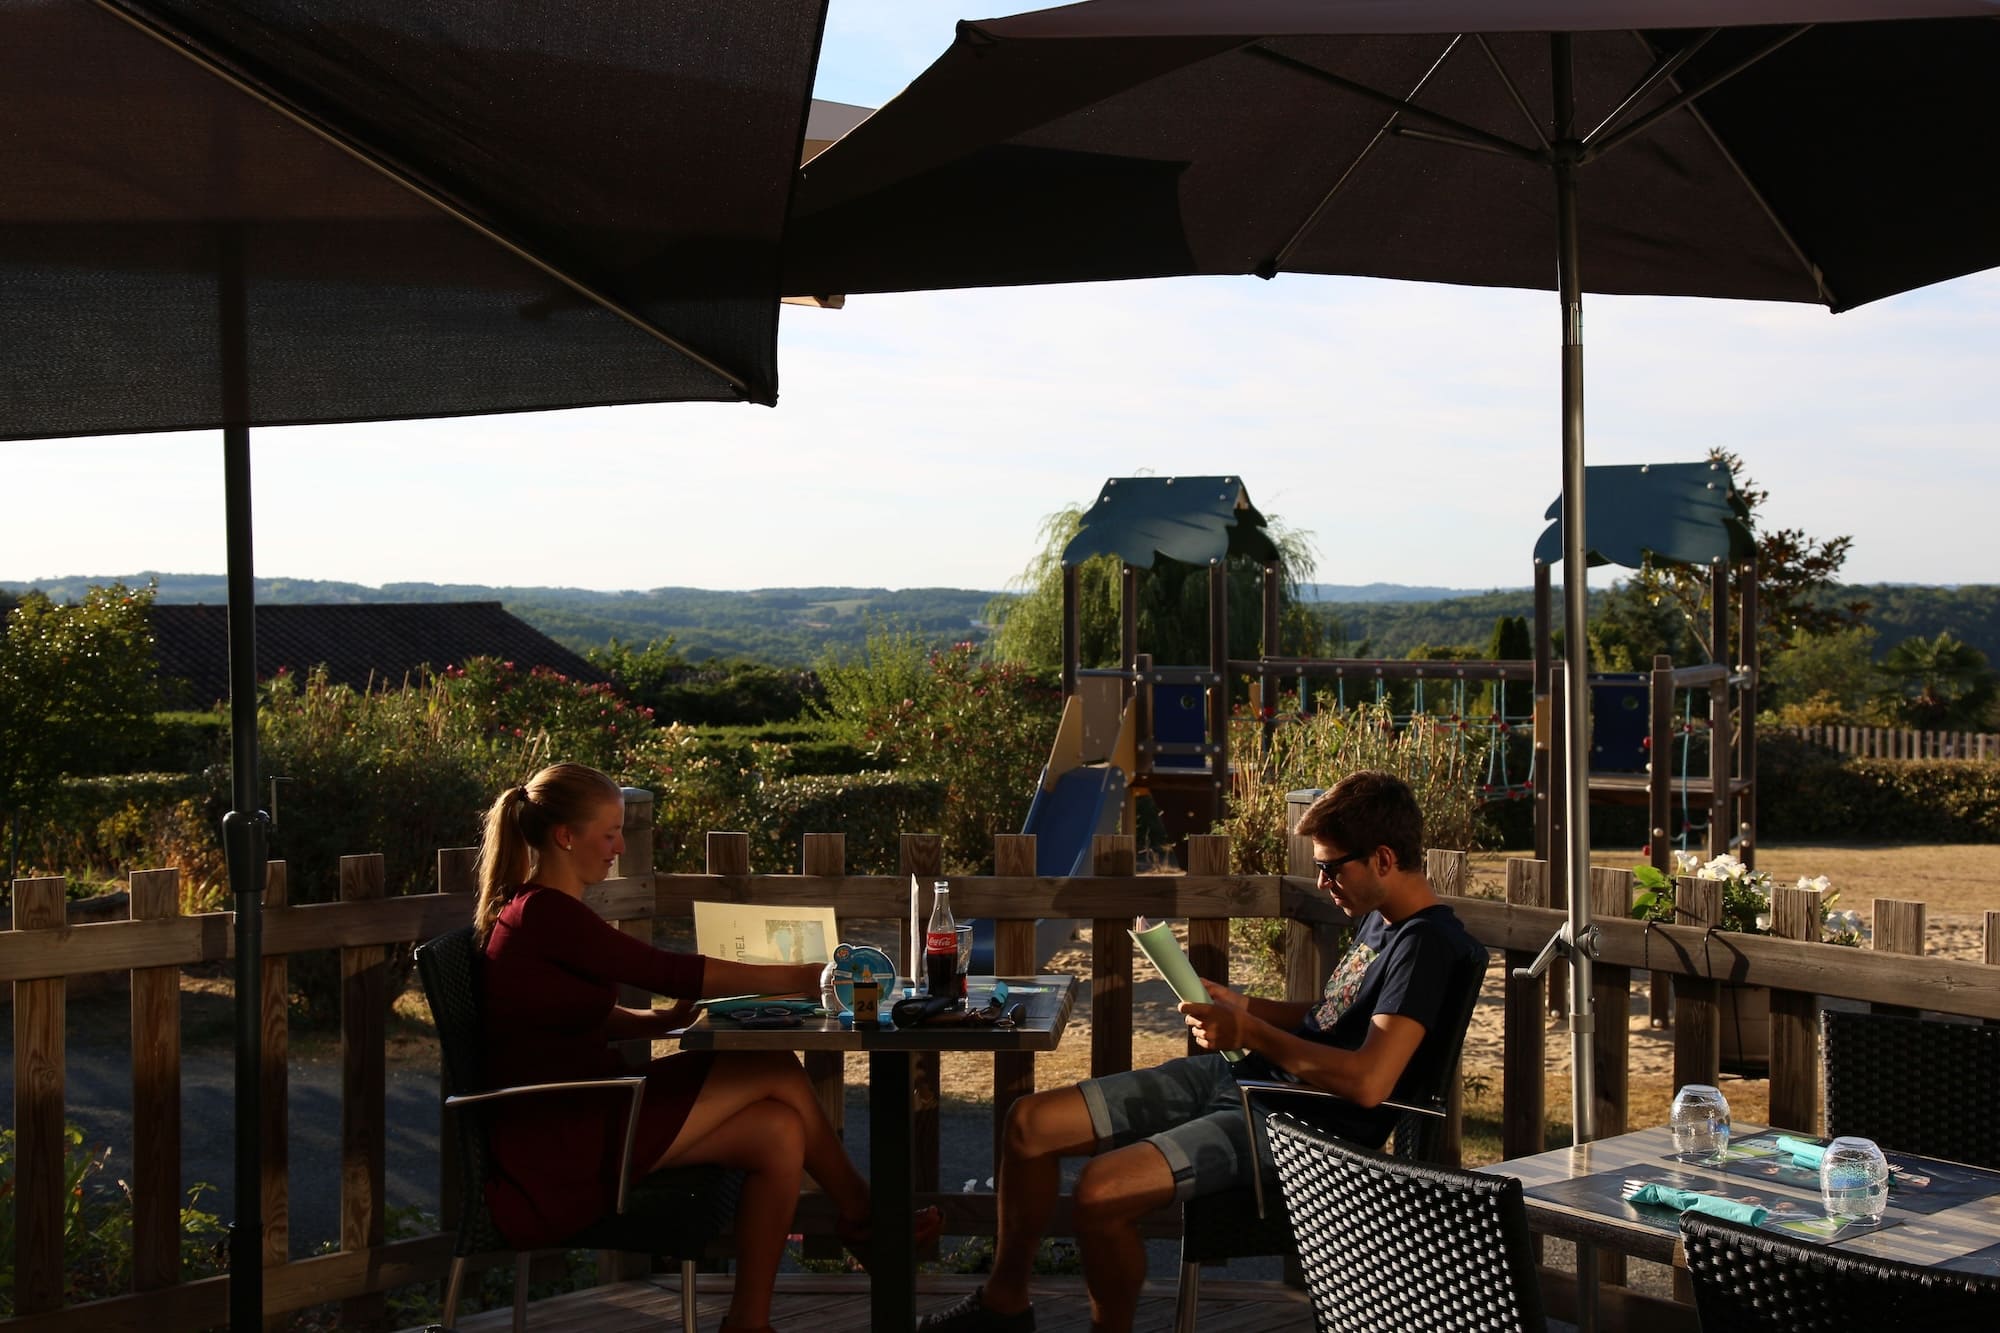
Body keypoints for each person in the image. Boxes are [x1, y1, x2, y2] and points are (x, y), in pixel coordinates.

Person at [916, 770, 1487, 1333]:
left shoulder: (1426, 946)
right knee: (1030, 1124)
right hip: (1245, 1078)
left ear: (1383, 859)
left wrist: (1250, 1033)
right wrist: (1245, 1006)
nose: (1321, 883)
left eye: (1331, 867)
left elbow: (1368, 1080)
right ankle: (1004, 1305)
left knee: (1101, 1191)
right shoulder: (1381, 920)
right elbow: (1334, 1019)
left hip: (1297, 1129)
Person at [473, 762, 939, 1333]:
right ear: (566, 836)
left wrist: (656, 1022)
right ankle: (865, 1216)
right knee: (772, 1066)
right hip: (563, 1132)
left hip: (586, 1109)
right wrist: (810, 974)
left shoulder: (539, 911)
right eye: (610, 833)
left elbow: (561, 1014)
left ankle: (749, 1322)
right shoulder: (547, 914)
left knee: (779, 1133)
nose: (620, 847)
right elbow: (671, 971)